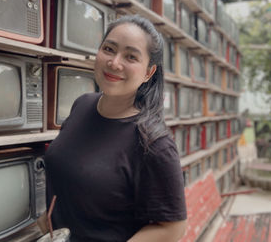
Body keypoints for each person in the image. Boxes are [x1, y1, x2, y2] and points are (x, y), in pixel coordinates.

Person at [43, 14, 187, 242]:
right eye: (109, 49)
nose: (114, 62)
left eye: (131, 56)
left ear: (148, 72)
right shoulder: (82, 105)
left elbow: (173, 228)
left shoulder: (154, 143)